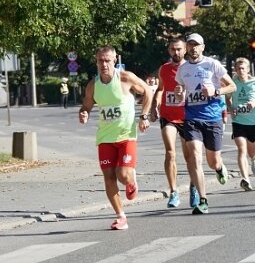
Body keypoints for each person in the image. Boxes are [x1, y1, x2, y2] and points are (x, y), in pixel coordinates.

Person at [79, 46, 152, 230]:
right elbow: (86, 106)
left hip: (126, 135)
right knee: (109, 178)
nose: (103, 64)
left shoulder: (125, 78)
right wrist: (84, 113)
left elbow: (148, 92)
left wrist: (143, 116)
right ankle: (121, 216)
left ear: (114, 61)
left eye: (107, 60)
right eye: (100, 61)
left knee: (123, 175)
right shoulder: (93, 85)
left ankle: (131, 181)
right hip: (105, 138)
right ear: (96, 62)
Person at [174, 33, 236, 214]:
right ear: (187, 47)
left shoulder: (212, 64)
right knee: (194, 156)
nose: (193, 48)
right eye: (190, 45)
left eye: (196, 45)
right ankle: (203, 200)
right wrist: (179, 93)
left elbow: (232, 86)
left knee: (212, 161)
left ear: (203, 47)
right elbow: (180, 93)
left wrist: (216, 91)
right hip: (192, 118)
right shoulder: (183, 69)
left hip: (213, 118)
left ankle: (219, 168)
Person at [150, 38, 193, 208]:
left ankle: (194, 186)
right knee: (170, 153)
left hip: (187, 117)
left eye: (179, 49)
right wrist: (154, 106)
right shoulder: (164, 69)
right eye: (173, 49)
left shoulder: (191, 69)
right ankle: (173, 191)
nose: (176, 52)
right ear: (169, 51)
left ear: (185, 50)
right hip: (168, 116)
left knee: (189, 156)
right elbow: (161, 89)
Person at [226, 58, 255, 190]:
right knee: (241, 149)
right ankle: (245, 179)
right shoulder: (233, 83)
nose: (240, 71)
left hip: (254, 121)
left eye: (243, 68)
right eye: (238, 69)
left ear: (248, 69)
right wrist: (230, 108)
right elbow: (228, 98)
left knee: (251, 151)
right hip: (238, 120)